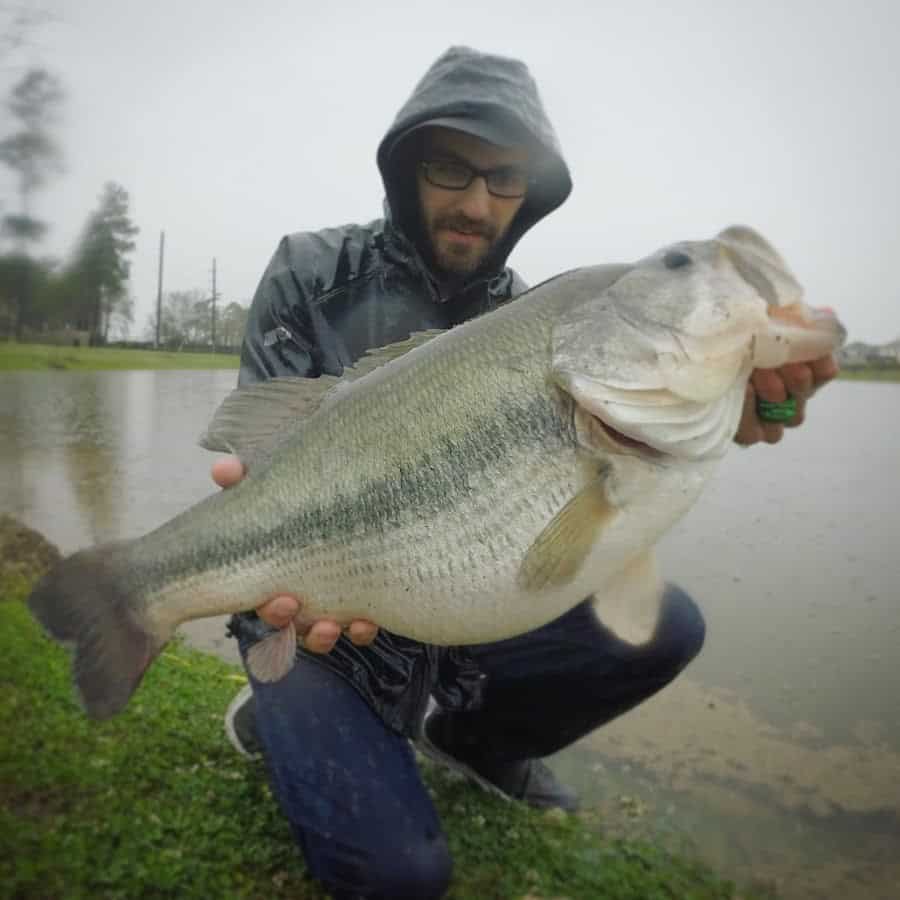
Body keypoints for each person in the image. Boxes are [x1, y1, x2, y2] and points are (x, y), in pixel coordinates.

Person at [216, 46, 838, 900]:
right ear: (405, 168)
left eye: (505, 180)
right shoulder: (310, 271)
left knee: (664, 625)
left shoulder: (536, 316)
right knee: (402, 878)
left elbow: (650, 437)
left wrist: (754, 408)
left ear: (531, 195)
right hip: (317, 601)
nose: (477, 202)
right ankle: (279, 709)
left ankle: (476, 741)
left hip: (466, 599)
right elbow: (260, 453)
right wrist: (270, 566)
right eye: (451, 168)